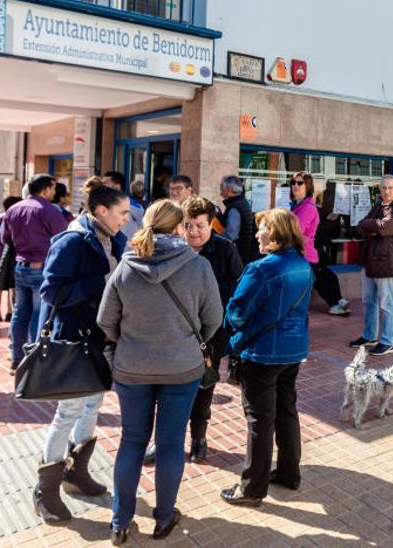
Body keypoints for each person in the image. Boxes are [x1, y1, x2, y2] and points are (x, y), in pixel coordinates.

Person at [98, 200, 223, 544]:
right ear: (179, 227)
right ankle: (164, 517)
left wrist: (131, 340)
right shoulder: (198, 266)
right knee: (170, 444)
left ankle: (120, 520)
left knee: (132, 441)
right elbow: (214, 319)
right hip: (182, 368)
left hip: (132, 368)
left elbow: (105, 320)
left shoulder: (127, 265)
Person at [31, 184, 130, 525]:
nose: (126, 219)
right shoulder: (72, 240)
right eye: (122, 213)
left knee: (93, 404)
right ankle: (45, 492)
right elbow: (51, 290)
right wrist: (102, 280)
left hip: (101, 337)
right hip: (75, 339)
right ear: (101, 210)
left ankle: (77, 472)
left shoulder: (113, 237)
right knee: (69, 410)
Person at [219, 209, 315, 509]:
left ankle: (251, 488)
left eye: (261, 228)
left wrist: (228, 332)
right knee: (287, 411)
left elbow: (237, 312)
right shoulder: (303, 264)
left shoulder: (261, 268)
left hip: (262, 353)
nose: (257, 233)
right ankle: (289, 473)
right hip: (293, 350)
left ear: (274, 233)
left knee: (260, 420)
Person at [171, 196, 244, 464]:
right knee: (171, 389)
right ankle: (168, 440)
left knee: (204, 387)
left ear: (211, 223)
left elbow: (237, 287)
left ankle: (199, 438)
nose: (193, 232)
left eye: (200, 225)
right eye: (188, 225)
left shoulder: (225, 250)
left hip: (210, 333)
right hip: (174, 332)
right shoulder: (174, 248)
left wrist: (204, 296)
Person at [2, 174, 70, 372]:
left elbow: (4, 239)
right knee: (38, 315)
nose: (55, 192)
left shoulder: (13, 209)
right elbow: (63, 239)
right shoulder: (48, 210)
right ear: (47, 188)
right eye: (53, 188)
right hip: (41, 267)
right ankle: (32, 361)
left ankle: (16, 358)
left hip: (21, 266)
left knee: (19, 313)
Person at [349, 175, 393, 356]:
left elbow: (385, 228)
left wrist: (371, 226)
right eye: (383, 188)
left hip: (385, 263)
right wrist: (372, 226)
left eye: (390, 188)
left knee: (387, 304)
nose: (387, 191)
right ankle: (369, 336)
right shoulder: (378, 205)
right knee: (369, 301)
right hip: (369, 261)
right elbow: (360, 226)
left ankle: (388, 342)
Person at [289, 171, 350, 316]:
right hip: (301, 255)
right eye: (293, 183)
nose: (295, 186)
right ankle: (337, 301)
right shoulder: (296, 206)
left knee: (304, 293)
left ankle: (336, 302)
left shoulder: (308, 208)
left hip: (305, 257)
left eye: (299, 183)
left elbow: (296, 232)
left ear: (307, 186)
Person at [220, 175, 258, 264]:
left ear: (229, 190)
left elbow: (231, 235)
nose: (220, 192)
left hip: (239, 255)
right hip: (244, 253)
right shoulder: (242, 203)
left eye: (222, 188)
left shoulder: (235, 207)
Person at [103, 171, 145, 240]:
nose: (103, 187)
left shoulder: (130, 204)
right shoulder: (105, 203)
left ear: (117, 186)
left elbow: (140, 218)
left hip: (127, 248)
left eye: (106, 184)